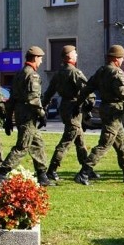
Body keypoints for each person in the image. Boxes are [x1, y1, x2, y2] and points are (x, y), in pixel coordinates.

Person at [74, 45, 124, 185]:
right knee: (105, 144)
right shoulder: (116, 73)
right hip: (113, 112)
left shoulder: (101, 71)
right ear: (116, 59)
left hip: (107, 109)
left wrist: (79, 104)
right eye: (122, 58)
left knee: (122, 143)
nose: (123, 60)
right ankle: (84, 173)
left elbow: (88, 88)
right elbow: (122, 91)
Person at [0, 47, 54, 186]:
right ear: (34, 58)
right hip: (28, 115)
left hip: (22, 113)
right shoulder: (32, 75)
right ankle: (1, 175)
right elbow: (33, 98)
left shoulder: (19, 74)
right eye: (40, 58)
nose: (41, 61)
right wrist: (42, 114)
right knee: (22, 147)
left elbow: (12, 98)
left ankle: (42, 176)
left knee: (37, 144)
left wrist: (9, 118)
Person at [41, 45, 91, 181]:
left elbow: (49, 92)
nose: (77, 55)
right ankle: (52, 169)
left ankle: (87, 168)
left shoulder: (58, 73)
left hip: (65, 107)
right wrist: (89, 105)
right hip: (74, 108)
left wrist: (43, 107)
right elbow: (86, 90)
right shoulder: (74, 72)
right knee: (68, 140)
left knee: (79, 140)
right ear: (69, 56)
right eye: (75, 53)